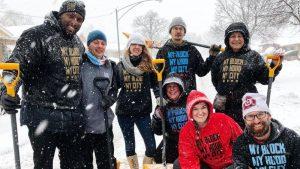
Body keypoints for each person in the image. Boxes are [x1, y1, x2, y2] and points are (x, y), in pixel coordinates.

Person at [0, 0, 86, 168]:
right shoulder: (36, 35)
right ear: (60, 14)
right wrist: (6, 89)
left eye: (79, 19)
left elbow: (77, 79)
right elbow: (16, 66)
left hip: (71, 118)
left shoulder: (78, 43)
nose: (74, 22)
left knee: (74, 165)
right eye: (71, 16)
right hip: (41, 114)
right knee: (43, 165)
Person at [211, 22, 283, 128]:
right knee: (225, 134)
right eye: (233, 36)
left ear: (245, 38)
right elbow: (215, 78)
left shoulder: (253, 56)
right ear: (227, 39)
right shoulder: (221, 57)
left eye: (240, 36)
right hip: (224, 106)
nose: (236, 39)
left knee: (248, 134)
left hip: (248, 105)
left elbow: (266, 79)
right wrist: (225, 91)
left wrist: (275, 65)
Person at [115, 33, 156, 169]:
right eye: (134, 44)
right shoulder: (120, 66)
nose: (137, 47)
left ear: (143, 48)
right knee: (130, 145)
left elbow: (156, 85)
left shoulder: (149, 66)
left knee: (151, 145)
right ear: (129, 46)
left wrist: (159, 97)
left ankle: (146, 167)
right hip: (124, 112)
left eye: (140, 45)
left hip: (143, 112)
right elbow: (114, 87)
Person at [174, 90, 243, 169]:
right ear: (190, 111)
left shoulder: (222, 119)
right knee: (178, 164)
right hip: (209, 166)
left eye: (203, 107)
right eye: (195, 109)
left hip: (230, 164)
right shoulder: (186, 131)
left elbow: (241, 140)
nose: (200, 113)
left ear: (208, 108)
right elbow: (188, 158)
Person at [80, 30, 118, 169]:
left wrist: (110, 99)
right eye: (96, 42)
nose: (100, 46)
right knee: (85, 164)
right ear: (89, 45)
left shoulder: (110, 65)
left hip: (105, 124)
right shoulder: (81, 64)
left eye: (103, 43)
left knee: (107, 163)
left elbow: (114, 89)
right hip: (84, 126)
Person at [233, 93, 300, 168]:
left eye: (260, 114)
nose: (256, 120)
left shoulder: (291, 139)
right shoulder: (240, 144)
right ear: (245, 120)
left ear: (269, 116)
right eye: (250, 116)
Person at [155, 17, 216, 97]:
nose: (178, 31)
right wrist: (158, 96)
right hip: (170, 96)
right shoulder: (163, 51)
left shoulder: (191, 50)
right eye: (175, 28)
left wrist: (212, 57)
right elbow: (156, 77)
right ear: (170, 32)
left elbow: (201, 71)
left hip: (189, 96)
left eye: (181, 29)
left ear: (184, 32)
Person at [151, 75, 188, 163]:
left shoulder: (188, 100)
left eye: (174, 86)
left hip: (188, 139)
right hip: (172, 139)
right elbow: (157, 131)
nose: (171, 89)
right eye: (169, 87)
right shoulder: (163, 105)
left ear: (180, 88)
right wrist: (158, 117)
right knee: (158, 157)